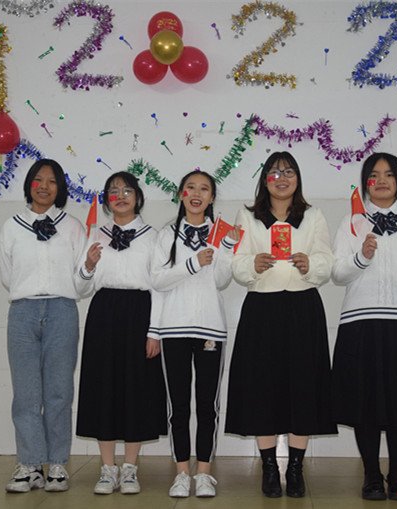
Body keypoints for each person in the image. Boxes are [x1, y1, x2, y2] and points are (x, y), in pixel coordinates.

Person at [225, 151, 337, 498]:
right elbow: (236, 262)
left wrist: (310, 264)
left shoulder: (313, 215)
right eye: (274, 172)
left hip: (303, 306)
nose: (282, 178)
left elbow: (326, 259)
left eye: (289, 172)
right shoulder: (247, 215)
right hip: (262, 307)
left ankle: (296, 467)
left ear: (298, 178)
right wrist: (252, 265)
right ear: (265, 180)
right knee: (262, 387)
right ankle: (270, 467)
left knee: (304, 385)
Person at [330, 152, 397, 500]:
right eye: (374, 175)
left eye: (389, 174)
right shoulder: (352, 223)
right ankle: (372, 476)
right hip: (360, 324)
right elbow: (337, 272)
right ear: (366, 183)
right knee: (366, 405)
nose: (382, 181)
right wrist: (362, 256)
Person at [75, 171, 167, 494]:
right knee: (103, 388)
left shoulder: (153, 236)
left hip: (140, 313)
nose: (121, 196)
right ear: (106, 200)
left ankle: (129, 468)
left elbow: (159, 286)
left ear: (138, 197)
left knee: (136, 389)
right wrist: (88, 265)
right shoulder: (95, 234)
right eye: (113, 191)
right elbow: (80, 286)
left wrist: (154, 332)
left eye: (127, 190)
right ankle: (107, 468)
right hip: (104, 313)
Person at [150, 170, 239, 498]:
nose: (197, 194)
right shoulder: (167, 234)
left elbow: (221, 280)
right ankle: (181, 473)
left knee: (207, 405)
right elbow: (157, 280)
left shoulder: (220, 231)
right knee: (178, 405)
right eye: (190, 188)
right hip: (174, 328)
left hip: (210, 327)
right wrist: (192, 263)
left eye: (204, 189)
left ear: (212, 197)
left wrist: (226, 248)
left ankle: (204, 472)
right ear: (181, 194)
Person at [0, 159, 86, 493]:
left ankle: (58, 464)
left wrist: (90, 267)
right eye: (38, 180)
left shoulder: (72, 226)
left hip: (62, 309)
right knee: (25, 393)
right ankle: (30, 464)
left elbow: (80, 279)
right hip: (22, 311)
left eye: (52, 181)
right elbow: (7, 275)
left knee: (59, 391)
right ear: (29, 185)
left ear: (60, 188)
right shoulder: (12, 226)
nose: (44, 186)